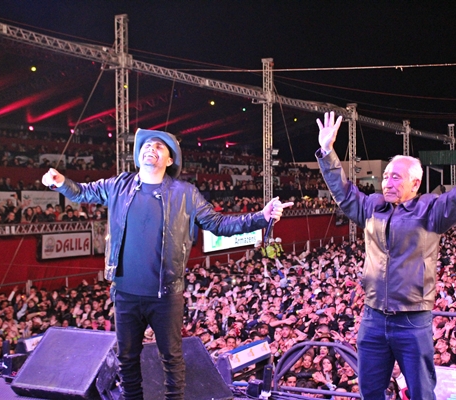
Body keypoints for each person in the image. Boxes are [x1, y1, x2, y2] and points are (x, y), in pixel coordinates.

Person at [41, 128, 293, 400]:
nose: (151, 148)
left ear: (170, 160)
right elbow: (82, 192)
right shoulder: (118, 186)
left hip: (166, 293)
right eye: (147, 145)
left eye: (160, 147)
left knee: (172, 359)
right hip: (125, 293)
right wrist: (60, 181)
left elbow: (219, 225)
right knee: (127, 360)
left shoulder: (185, 193)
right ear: (138, 155)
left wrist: (261, 216)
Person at [315, 111, 456, 399]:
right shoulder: (372, 206)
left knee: (421, 391)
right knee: (369, 390)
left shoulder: (430, 210)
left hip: (412, 320)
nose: (387, 183)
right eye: (385, 177)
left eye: (396, 177)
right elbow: (343, 193)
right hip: (372, 318)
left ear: (415, 184)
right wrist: (328, 151)